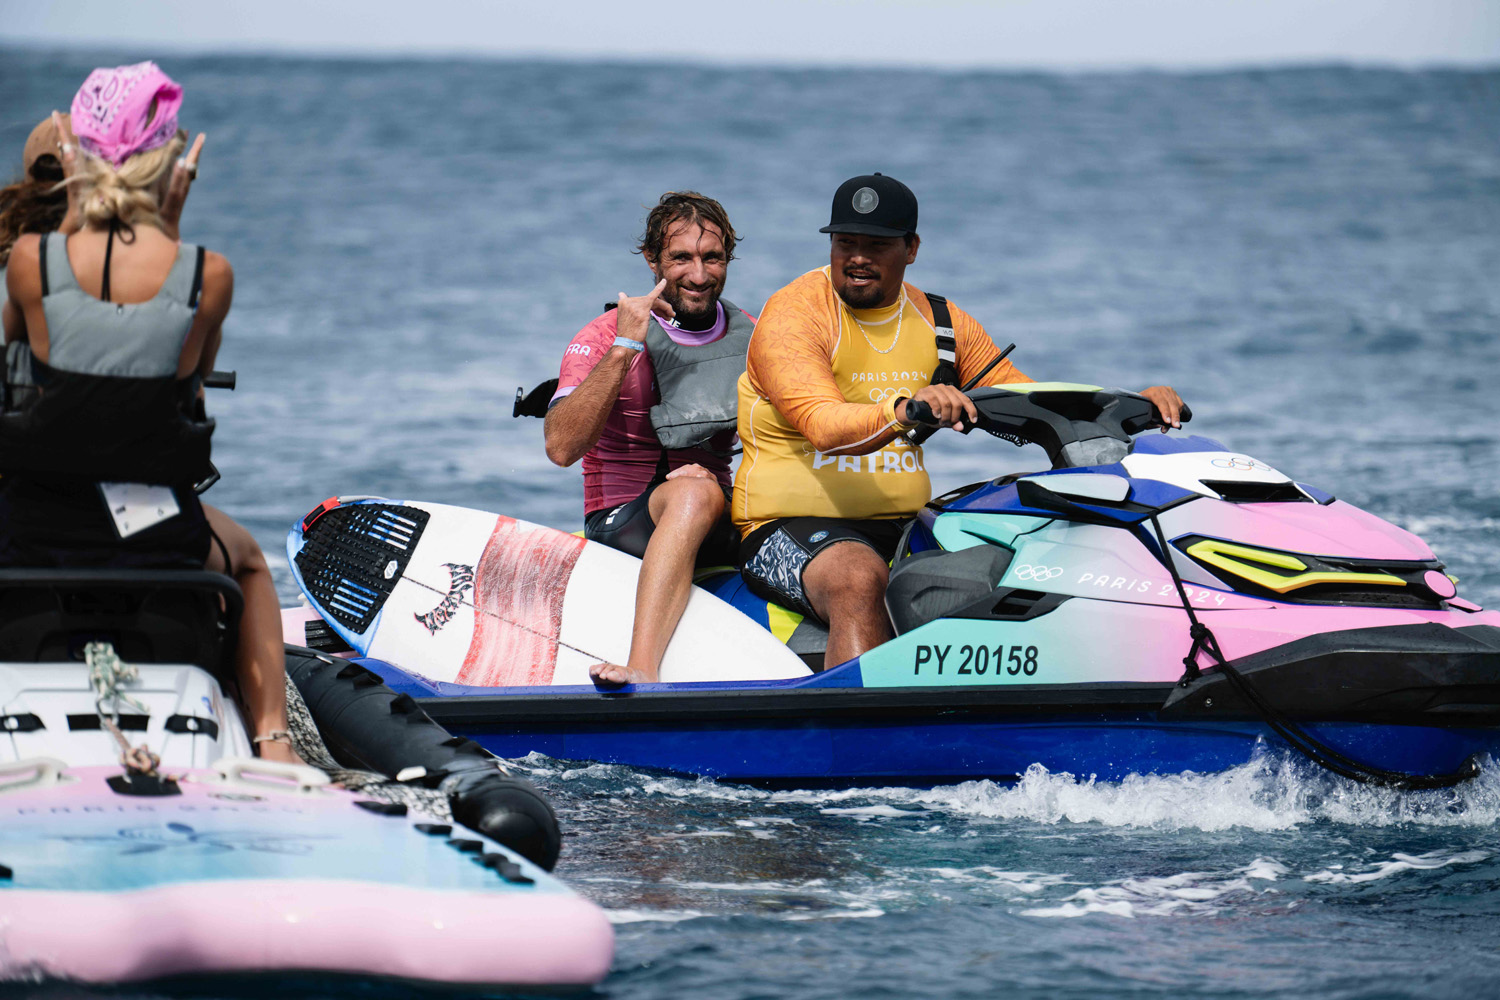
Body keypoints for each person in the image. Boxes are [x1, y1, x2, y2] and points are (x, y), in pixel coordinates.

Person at [733, 172, 1184, 668]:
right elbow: (822, 425)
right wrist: (907, 410)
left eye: (877, 245)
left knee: (1032, 553)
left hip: (906, 524)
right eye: (846, 243)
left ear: (911, 248)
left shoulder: (942, 323)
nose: (858, 257)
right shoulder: (795, 313)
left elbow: (1030, 399)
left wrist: (1130, 407)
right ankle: (859, 734)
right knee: (858, 580)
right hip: (783, 529)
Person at [0, 62, 302, 764]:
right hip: (159, 533)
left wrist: (80, 202)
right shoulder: (210, 275)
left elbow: (26, 357)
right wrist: (170, 220)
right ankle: (274, 741)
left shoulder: (27, 262)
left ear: (78, 158)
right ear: (169, 160)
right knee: (250, 565)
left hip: (39, 524)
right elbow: (183, 382)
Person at [545, 192, 753, 685]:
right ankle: (642, 667)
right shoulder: (604, 335)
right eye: (682, 258)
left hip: (718, 512)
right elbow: (559, 448)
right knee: (693, 494)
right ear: (652, 259)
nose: (699, 275)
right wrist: (624, 347)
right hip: (623, 519)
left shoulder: (754, 335)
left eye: (713, 258)